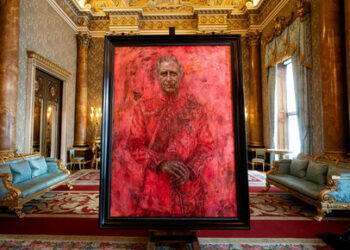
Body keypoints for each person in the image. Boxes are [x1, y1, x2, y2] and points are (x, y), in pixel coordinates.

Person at [127, 55, 214, 217]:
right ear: (157, 76)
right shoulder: (143, 109)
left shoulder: (196, 110)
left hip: (189, 189)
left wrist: (190, 169)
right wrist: (161, 164)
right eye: (164, 73)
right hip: (156, 188)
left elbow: (207, 146)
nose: (168, 79)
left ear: (181, 75)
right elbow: (134, 145)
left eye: (173, 74)